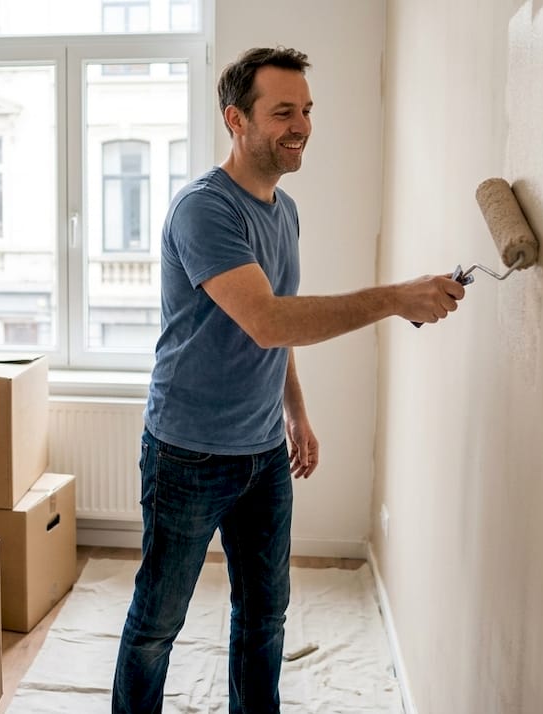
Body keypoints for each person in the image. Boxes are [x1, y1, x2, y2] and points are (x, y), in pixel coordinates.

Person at [111, 46, 465, 714]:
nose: (300, 124)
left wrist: (295, 414)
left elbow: (279, 331)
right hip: (188, 451)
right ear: (236, 121)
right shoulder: (204, 211)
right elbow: (268, 320)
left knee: (265, 615)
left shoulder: (284, 210)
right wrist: (394, 298)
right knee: (158, 623)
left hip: (262, 452)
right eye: (282, 111)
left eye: (305, 110)